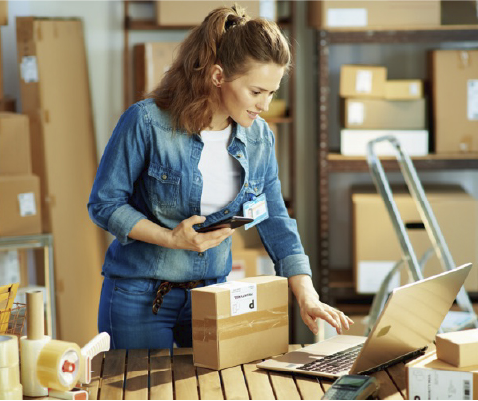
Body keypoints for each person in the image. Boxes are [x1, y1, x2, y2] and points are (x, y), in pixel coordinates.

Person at [88, 4, 353, 350]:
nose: (265, 105)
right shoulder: (147, 122)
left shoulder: (259, 138)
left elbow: (273, 217)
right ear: (217, 76)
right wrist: (170, 238)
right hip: (140, 297)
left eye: (272, 92)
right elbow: (105, 204)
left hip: (212, 297)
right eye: (256, 92)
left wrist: (306, 294)